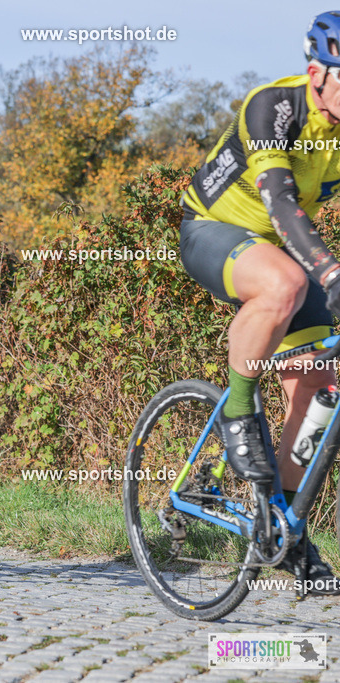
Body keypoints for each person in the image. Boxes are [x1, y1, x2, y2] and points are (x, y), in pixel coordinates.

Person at [178, 11, 340, 593]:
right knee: (284, 283)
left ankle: (284, 528)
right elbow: (279, 201)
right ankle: (239, 415)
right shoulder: (273, 106)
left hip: (283, 250)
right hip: (213, 230)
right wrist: (330, 270)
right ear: (316, 72)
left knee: (320, 389)